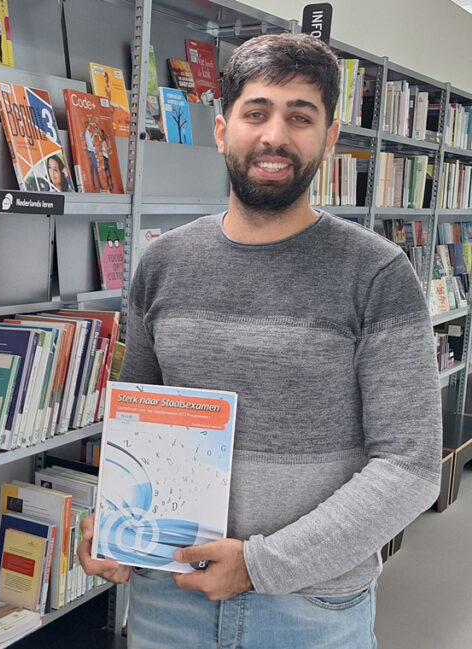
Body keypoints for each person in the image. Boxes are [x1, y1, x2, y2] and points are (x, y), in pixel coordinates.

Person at [77, 33, 441, 648]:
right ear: (222, 130)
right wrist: (116, 523)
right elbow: (139, 424)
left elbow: (409, 466)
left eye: (300, 117)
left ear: (329, 139)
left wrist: (260, 562)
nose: (274, 136)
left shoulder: (376, 274)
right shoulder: (162, 264)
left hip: (310, 607)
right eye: (256, 112)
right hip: (171, 597)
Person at [83, 121, 102, 192]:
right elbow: (89, 145)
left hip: (91, 152)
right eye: (89, 126)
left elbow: (90, 141)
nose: (90, 127)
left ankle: (94, 185)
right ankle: (100, 185)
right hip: (91, 152)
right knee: (96, 169)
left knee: (92, 169)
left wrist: (93, 135)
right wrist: (95, 148)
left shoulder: (88, 133)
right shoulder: (86, 133)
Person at [97, 125, 114, 192]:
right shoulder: (102, 142)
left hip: (104, 157)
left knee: (107, 171)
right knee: (106, 171)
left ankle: (110, 186)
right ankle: (109, 186)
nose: (100, 135)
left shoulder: (104, 142)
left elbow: (107, 150)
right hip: (103, 157)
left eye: (100, 133)